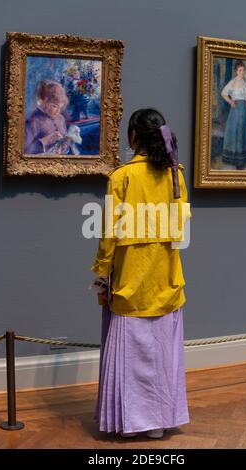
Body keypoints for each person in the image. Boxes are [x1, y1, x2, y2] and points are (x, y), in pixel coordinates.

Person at [90, 108, 192, 439]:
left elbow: (109, 235)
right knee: (163, 355)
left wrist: (102, 274)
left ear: (134, 137)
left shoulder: (121, 178)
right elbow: (180, 228)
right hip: (165, 278)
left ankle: (129, 423)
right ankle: (160, 423)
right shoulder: (176, 175)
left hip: (130, 280)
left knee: (131, 355)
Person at [221, 60, 246, 169]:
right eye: (240, 70)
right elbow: (223, 93)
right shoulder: (233, 82)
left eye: (243, 70)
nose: (242, 72)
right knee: (238, 132)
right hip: (236, 110)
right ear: (236, 71)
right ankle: (238, 161)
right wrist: (231, 101)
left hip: (245, 110)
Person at [25, 80, 68, 154]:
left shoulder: (61, 119)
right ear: (45, 101)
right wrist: (44, 142)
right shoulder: (32, 121)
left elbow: (65, 144)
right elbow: (24, 151)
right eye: (55, 106)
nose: (58, 111)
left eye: (60, 108)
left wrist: (65, 145)